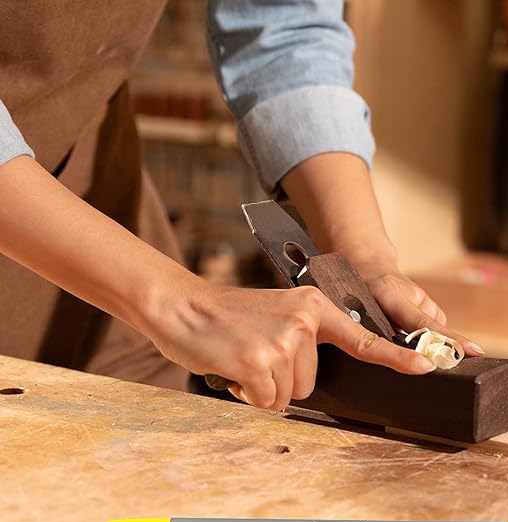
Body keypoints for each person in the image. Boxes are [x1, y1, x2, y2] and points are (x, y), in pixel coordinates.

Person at [0, 0, 483, 412]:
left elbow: (285, 30)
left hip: (101, 242)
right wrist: (185, 309)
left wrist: (363, 260)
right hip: (129, 285)